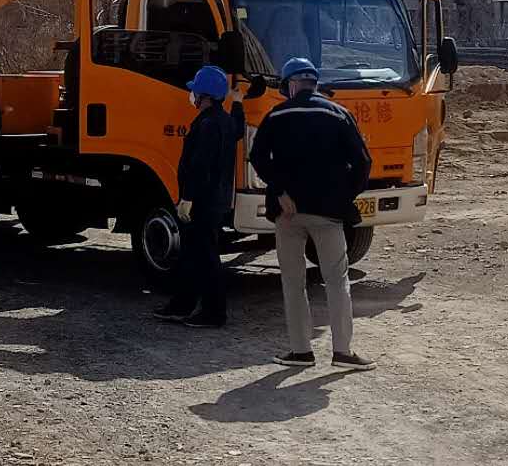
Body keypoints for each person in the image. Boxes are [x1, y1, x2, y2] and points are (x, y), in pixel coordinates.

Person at [249, 57, 375, 371]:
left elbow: (257, 156)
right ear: (314, 84)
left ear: (291, 85)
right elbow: (363, 162)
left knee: (293, 283)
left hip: (288, 214)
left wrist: (280, 190)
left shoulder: (276, 115)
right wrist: (343, 196)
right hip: (328, 213)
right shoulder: (338, 114)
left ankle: (301, 352)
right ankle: (342, 352)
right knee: (337, 282)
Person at [154, 65, 243, 329]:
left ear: (204, 95)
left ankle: (213, 313)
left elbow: (199, 166)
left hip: (202, 201)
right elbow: (238, 128)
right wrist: (238, 103)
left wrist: (188, 198)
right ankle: (182, 305)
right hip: (216, 199)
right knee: (192, 256)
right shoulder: (225, 121)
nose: (192, 96)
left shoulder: (207, 124)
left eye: (195, 92)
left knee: (204, 258)